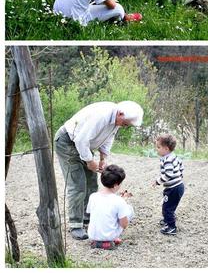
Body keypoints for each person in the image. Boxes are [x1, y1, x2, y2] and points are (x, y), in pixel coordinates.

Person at [54, 101, 143, 240]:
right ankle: (76, 224)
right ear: (120, 114)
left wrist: (102, 158)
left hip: (85, 145)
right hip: (68, 142)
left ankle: (87, 217)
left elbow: (108, 138)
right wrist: (89, 161)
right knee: (77, 184)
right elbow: (81, 140)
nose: (124, 126)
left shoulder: (117, 120)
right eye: (125, 123)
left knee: (91, 182)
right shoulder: (101, 116)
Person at [86, 164, 134, 250]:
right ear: (116, 185)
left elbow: (92, 213)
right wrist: (124, 203)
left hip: (92, 235)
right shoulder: (119, 201)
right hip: (110, 236)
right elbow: (124, 224)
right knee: (129, 209)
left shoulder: (93, 196)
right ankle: (110, 240)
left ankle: (98, 241)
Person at [154, 133, 184, 236]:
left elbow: (168, 174)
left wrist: (158, 181)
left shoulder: (167, 160)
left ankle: (171, 227)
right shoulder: (174, 156)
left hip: (173, 188)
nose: (156, 149)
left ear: (166, 148)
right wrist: (180, 176)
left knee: (166, 207)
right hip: (178, 186)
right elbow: (181, 166)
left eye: (158, 147)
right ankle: (168, 219)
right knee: (171, 205)